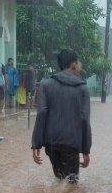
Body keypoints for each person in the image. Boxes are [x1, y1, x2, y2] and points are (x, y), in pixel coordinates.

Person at [31, 50, 91, 183]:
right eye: (79, 63)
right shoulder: (83, 88)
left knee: (59, 179)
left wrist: (36, 144)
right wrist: (86, 150)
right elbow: (85, 119)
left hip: (51, 142)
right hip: (72, 142)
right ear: (74, 64)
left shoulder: (46, 84)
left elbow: (41, 114)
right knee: (72, 184)